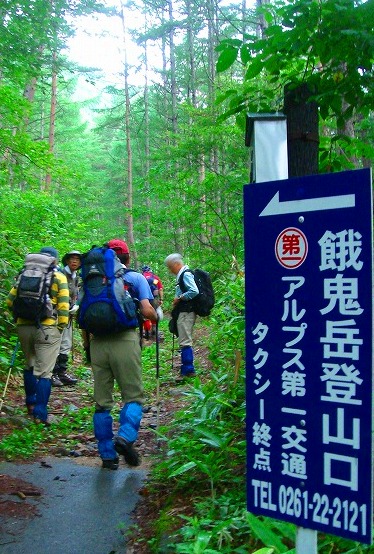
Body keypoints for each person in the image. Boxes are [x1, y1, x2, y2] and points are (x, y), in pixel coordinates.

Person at [84, 239, 157, 470]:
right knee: (133, 396)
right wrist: (157, 316)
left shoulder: (90, 281)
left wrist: (88, 349)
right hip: (125, 340)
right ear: (125, 258)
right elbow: (147, 311)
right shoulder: (135, 278)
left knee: (102, 402)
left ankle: (107, 455)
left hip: (97, 344)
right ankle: (125, 437)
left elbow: (83, 319)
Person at [6, 247, 69, 425]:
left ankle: (31, 404)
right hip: (47, 328)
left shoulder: (24, 275)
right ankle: (41, 414)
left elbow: (9, 301)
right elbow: (63, 306)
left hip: (23, 326)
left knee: (30, 365)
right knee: (45, 373)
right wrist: (61, 327)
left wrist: (19, 318)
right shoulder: (59, 277)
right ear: (55, 260)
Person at [165, 253, 199, 377]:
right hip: (184, 312)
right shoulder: (182, 275)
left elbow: (194, 291)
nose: (170, 270)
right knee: (184, 339)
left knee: (185, 340)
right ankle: (187, 368)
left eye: (170, 267)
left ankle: (188, 369)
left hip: (186, 312)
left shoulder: (186, 274)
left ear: (176, 264)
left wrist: (180, 298)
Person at [51, 250, 81, 386]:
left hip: (68, 314)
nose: (74, 261)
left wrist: (76, 306)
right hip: (56, 313)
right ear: (67, 261)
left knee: (66, 344)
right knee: (55, 343)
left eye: (77, 259)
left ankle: (61, 372)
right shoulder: (60, 274)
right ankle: (52, 373)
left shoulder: (76, 276)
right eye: (72, 259)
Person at [141, 265, 164, 339]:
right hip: (154, 298)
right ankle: (154, 330)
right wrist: (161, 299)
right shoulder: (155, 278)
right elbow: (160, 289)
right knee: (154, 312)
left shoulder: (141, 277)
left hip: (144, 298)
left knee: (145, 315)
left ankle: (146, 331)